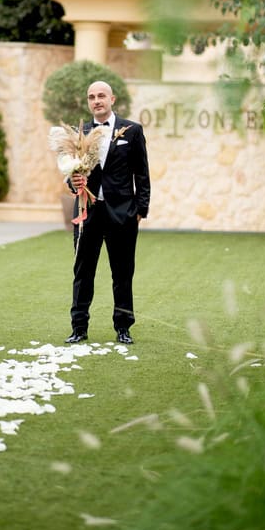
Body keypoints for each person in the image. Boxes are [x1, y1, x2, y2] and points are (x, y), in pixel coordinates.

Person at [66, 80, 150, 345]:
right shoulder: (79, 133)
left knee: (122, 274)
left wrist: (140, 210)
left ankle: (123, 327)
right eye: (91, 97)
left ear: (112, 99)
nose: (96, 101)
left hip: (122, 214)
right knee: (83, 273)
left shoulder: (132, 131)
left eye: (101, 96)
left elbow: (142, 174)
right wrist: (73, 182)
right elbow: (71, 172)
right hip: (87, 213)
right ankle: (79, 328)